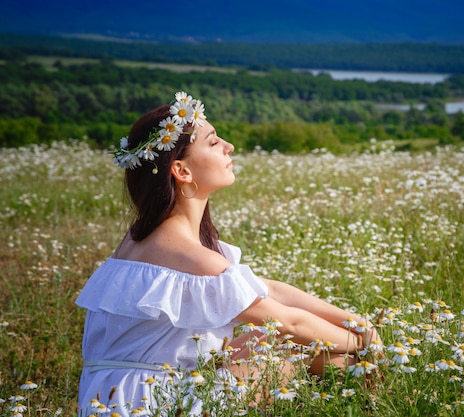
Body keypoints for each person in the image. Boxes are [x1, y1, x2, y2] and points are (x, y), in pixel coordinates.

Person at [76, 92, 380, 416]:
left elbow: (270, 290)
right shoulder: (188, 255)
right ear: (181, 171)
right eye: (212, 142)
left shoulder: (149, 238)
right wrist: (366, 344)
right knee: (283, 345)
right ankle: (374, 397)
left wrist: (360, 325)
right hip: (154, 403)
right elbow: (288, 323)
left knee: (307, 350)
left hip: (114, 397)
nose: (228, 146)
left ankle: (365, 390)